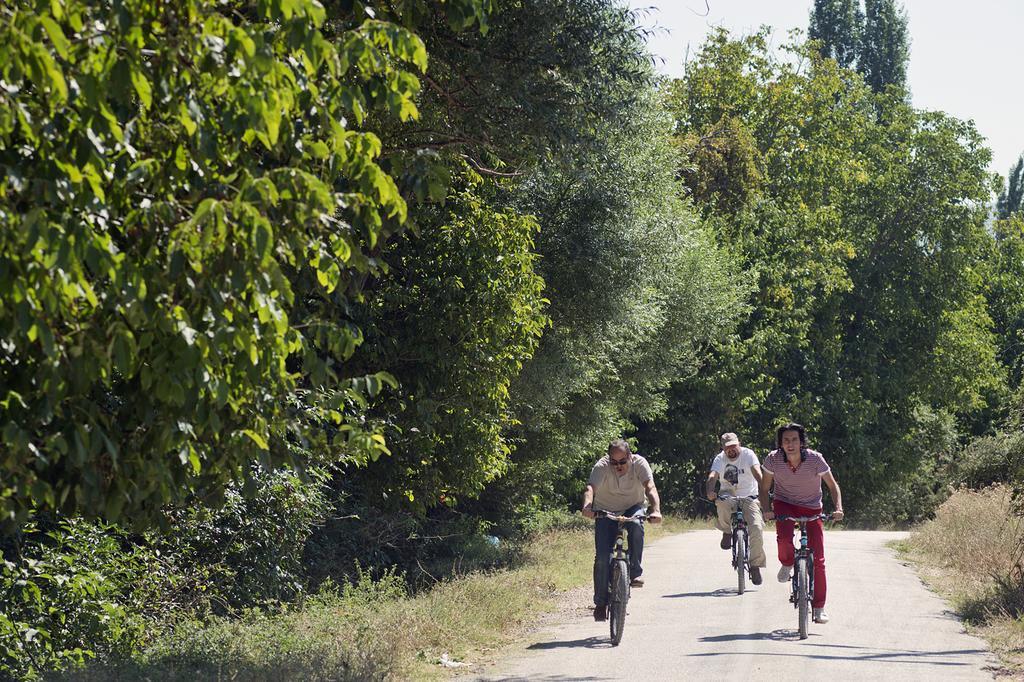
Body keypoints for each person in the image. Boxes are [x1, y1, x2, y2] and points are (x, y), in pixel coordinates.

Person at [760, 422, 845, 624]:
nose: (790, 444)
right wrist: (766, 510)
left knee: (819, 559)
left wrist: (838, 508)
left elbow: (833, 486)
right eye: (786, 440)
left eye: (794, 440)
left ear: (801, 442)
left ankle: (819, 608)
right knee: (784, 539)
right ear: (780, 443)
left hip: (812, 506)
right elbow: (764, 489)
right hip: (784, 504)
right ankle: (788, 563)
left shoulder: (815, 459)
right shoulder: (773, 459)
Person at [581, 439, 662, 622]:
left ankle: (634, 572)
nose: (618, 466)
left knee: (635, 526)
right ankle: (601, 603)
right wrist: (587, 506)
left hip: (632, 507)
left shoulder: (640, 464)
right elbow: (590, 488)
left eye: (622, 462)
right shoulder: (602, 466)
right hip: (605, 510)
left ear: (630, 457)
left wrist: (655, 510)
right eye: (614, 462)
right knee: (602, 557)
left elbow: (650, 488)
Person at [705, 432, 766, 585]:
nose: (731, 450)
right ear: (723, 449)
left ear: (739, 443)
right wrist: (710, 491)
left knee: (757, 527)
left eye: (734, 446)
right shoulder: (720, 458)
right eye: (728, 448)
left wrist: (764, 488)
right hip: (728, 494)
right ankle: (727, 531)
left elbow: (757, 472)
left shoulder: (748, 454)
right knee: (722, 503)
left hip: (749, 496)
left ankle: (755, 565)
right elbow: (713, 476)